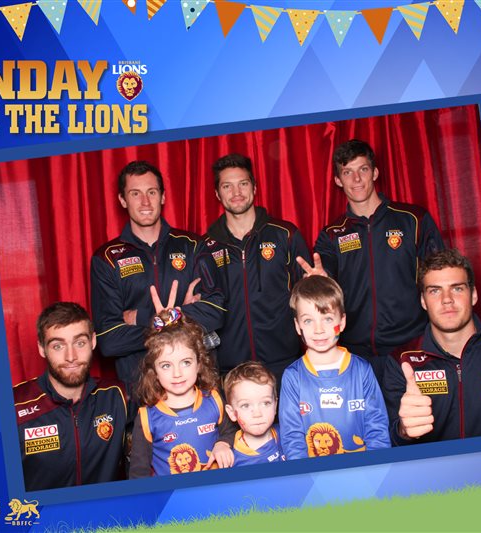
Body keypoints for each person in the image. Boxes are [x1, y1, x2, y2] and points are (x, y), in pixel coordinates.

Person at [298, 139, 444, 381]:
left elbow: (440, 275)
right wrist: (321, 282)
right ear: (338, 180)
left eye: (363, 169)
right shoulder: (332, 234)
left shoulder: (413, 219)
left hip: (411, 346)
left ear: (375, 173)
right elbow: (326, 276)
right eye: (347, 172)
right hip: (356, 353)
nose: (356, 179)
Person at [90, 160, 225, 390]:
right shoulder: (106, 258)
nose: (145, 202)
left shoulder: (193, 246)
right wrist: (180, 317)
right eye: (135, 193)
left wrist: (144, 318)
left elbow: (216, 313)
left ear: (162, 196)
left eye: (151, 192)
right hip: (141, 388)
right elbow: (109, 341)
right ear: (122, 200)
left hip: (197, 383)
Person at [382, 249, 481, 443]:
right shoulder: (401, 361)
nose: (447, 299)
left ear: (473, 295)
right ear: (423, 301)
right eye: (435, 290)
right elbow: (390, 441)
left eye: (457, 288)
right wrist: (403, 430)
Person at [202, 153, 310, 383]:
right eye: (227, 186)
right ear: (217, 193)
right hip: (229, 368)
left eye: (243, 183)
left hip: (284, 363)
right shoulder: (205, 247)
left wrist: (320, 283)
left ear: (254, 187)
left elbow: (309, 295)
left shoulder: (285, 234)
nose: (236, 192)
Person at [13, 302, 128, 491]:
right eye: (58, 346)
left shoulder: (117, 395)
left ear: (93, 342)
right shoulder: (13, 407)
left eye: (80, 343)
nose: (71, 356)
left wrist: (167, 324)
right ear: (42, 348)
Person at [278, 276, 390, 459]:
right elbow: (292, 439)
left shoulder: (362, 370)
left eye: (328, 319)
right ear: (297, 326)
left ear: (342, 322)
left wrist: (374, 470)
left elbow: (378, 429)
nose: (319, 329)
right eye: (308, 321)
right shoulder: (293, 376)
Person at [129, 308, 233, 477]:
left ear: (199, 364)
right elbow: (138, 473)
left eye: (185, 362)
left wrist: (223, 443)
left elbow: (232, 432)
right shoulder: (147, 418)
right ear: (154, 372)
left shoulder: (214, 400)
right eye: (166, 365)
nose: (177, 373)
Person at [223, 361, 285, 466]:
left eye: (266, 403)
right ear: (232, 413)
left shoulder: (289, 433)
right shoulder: (231, 460)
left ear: (275, 405)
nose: (257, 414)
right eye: (245, 405)